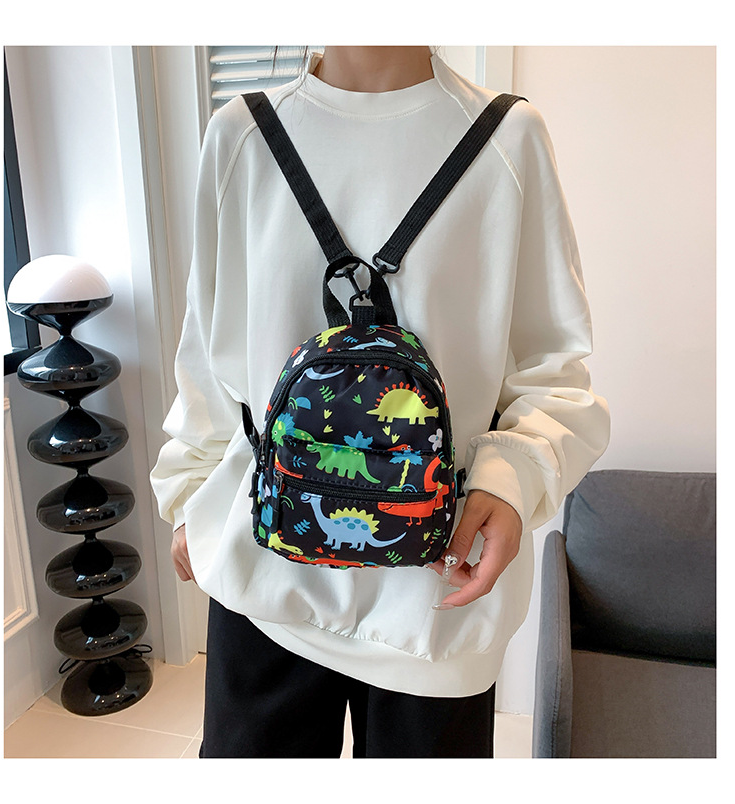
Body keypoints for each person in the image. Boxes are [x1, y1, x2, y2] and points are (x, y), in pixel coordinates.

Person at [150, 45, 610, 758]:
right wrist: (189, 489)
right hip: (263, 574)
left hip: (436, 601)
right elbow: (208, 352)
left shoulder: (509, 137)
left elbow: (554, 367)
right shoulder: (240, 134)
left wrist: (511, 481)